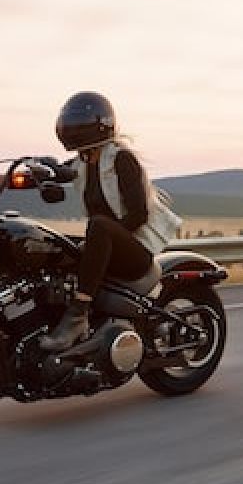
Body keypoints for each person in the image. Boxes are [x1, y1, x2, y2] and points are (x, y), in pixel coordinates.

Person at [39, 91, 183, 351]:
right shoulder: (82, 162)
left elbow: (139, 215)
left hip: (135, 252)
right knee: (57, 246)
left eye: (79, 122)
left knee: (99, 225)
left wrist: (104, 240)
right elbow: (46, 175)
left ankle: (78, 315)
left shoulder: (121, 159)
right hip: (110, 243)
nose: (73, 127)